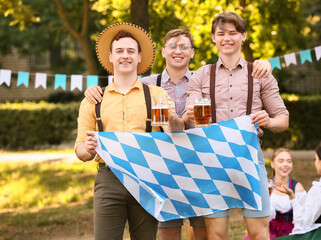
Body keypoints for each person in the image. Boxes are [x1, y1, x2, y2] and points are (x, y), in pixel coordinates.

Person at [84, 28, 272, 240]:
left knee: (201, 233)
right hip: (164, 168)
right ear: (163, 52)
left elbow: (231, 84)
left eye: (184, 47)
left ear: (192, 52)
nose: (178, 51)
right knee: (167, 233)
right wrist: (93, 90)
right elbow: (122, 90)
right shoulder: (148, 85)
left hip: (201, 165)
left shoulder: (204, 79)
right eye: (172, 46)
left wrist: (261, 63)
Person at [183, 11, 289, 240]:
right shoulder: (201, 75)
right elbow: (188, 115)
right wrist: (189, 113)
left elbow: (283, 118)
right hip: (211, 159)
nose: (227, 38)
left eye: (233, 33)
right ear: (213, 37)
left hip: (249, 157)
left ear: (243, 36)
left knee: (259, 232)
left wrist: (269, 121)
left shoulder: (261, 74)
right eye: (221, 33)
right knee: (217, 235)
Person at [74, 22, 184, 240]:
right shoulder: (94, 100)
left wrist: (172, 118)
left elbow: (174, 134)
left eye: (131, 51)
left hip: (147, 176)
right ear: (111, 57)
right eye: (120, 51)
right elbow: (80, 151)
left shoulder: (156, 94)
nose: (125, 56)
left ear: (139, 57)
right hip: (109, 178)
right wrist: (87, 150)